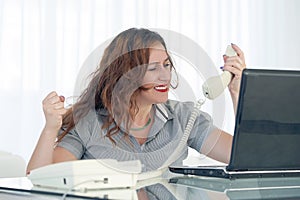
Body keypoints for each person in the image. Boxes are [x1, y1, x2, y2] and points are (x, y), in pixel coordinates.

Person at [27, 28, 246, 174]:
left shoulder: (183, 117)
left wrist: (238, 93)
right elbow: (42, 180)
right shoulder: (88, 123)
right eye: (152, 68)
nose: (165, 76)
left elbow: (244, 157)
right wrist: (50, 130)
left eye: (167, 65)